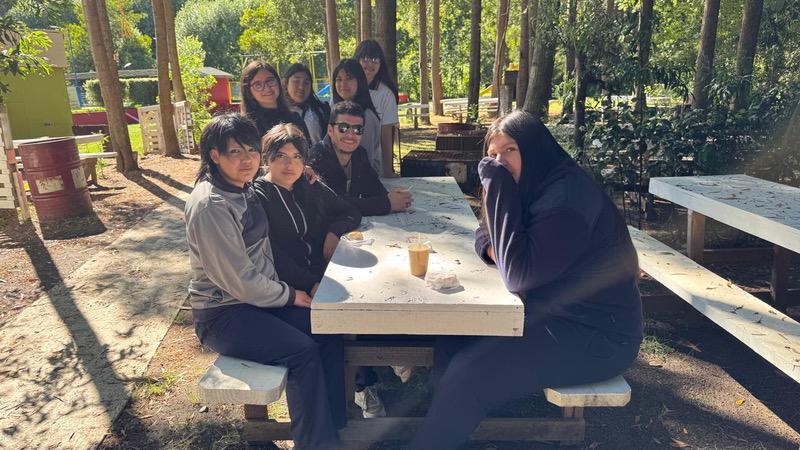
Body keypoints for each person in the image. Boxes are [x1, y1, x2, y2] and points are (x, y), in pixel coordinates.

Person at [409, 111, 644, 449]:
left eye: (510, 150)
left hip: (599, 336)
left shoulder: (566, 199)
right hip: (554, 313)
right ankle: (449, 425)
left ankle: (437, 435)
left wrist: (495, 186)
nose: (499, 163)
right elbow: (489, 233)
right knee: (455, 336)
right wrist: (495, 245)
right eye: (492, 155)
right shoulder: (537, 183)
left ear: (534, 148)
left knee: (469, 370)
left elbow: (518, 275)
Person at [185, 113, 343, 450]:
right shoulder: (211, 206)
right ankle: (317, 444)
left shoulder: (241, 185)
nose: (247, 160)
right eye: (235, 152)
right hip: (224, 314)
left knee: (329, 329)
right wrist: (290, 295)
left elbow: (273, 174)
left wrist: (305, 171)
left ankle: (337, 425)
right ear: (214, 155)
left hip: (256, 304)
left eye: (252, 151)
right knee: (302, 352)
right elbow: (240, 282)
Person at [254, 123, 361, 298]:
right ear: (267, 157)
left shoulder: (308, 184)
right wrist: (311, 285)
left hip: (328, 274)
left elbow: (350, 212)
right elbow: (272, 255)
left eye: (297, 157)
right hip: (292, 290)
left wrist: (334, 232)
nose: (290, 164)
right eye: (281, 156)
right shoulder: (258, 197)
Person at [309, 100, 412, 217]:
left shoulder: (359, 154)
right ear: (330, 130)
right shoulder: (317, 158)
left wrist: (393, 197)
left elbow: (374, 188)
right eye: (343, 128)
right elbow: (333, 204)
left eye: (357, 129)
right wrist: (387, 204)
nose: (350, 135)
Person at [354, 40, 399, 178]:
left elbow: (387, 133)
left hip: (373, 164)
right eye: (365, 59)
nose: (370, 65)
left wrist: (388, 170)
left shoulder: (386, 94)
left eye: (375, 60)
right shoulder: (346, 87)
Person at [330, 59, 384, 176]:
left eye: (349, 78)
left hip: (363, 180)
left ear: (360, 81)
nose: (343, 84)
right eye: (339, 79)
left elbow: (365, 160)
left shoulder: (367, 117)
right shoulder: (334, 111)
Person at [240, 60, 310, 139]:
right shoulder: (247, 126)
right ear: (248, 91)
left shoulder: (294, 118)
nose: (267, 88)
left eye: (270, 81)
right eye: (258, 85)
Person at [283, 63, 330, 145]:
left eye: (306, 82)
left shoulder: (321, 110)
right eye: (296, 81)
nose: (301, 87)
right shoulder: (278, 111)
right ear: (286, 83)